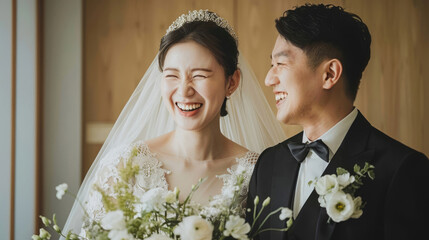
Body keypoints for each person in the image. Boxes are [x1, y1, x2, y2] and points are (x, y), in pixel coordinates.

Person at [62, 10, 285, 236]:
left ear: (232, 82)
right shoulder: (124, 167)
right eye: (172, 75)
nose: (184, 91)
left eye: (199, 75)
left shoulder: (255, 173)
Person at [246, 4, 429, 240]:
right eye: (271, 65)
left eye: (280, 64)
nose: (269, 79)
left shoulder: (401, 169)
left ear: (330, 74)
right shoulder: (268, 164)